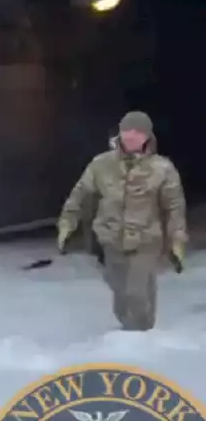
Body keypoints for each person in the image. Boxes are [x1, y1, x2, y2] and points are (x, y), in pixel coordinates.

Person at [57, 111, 187, 331]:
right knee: (120, 295)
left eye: (138, 132)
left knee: (135, 292)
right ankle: (133, 328)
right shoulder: (101, 164)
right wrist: (67, 224)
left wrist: (177, 240)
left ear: (147, 136)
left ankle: (139, 335)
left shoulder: (162, 168)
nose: (131, 136)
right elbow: (80, 196)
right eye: (127, 130)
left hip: (146, 239)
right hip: (111, 238)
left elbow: (174, 207)